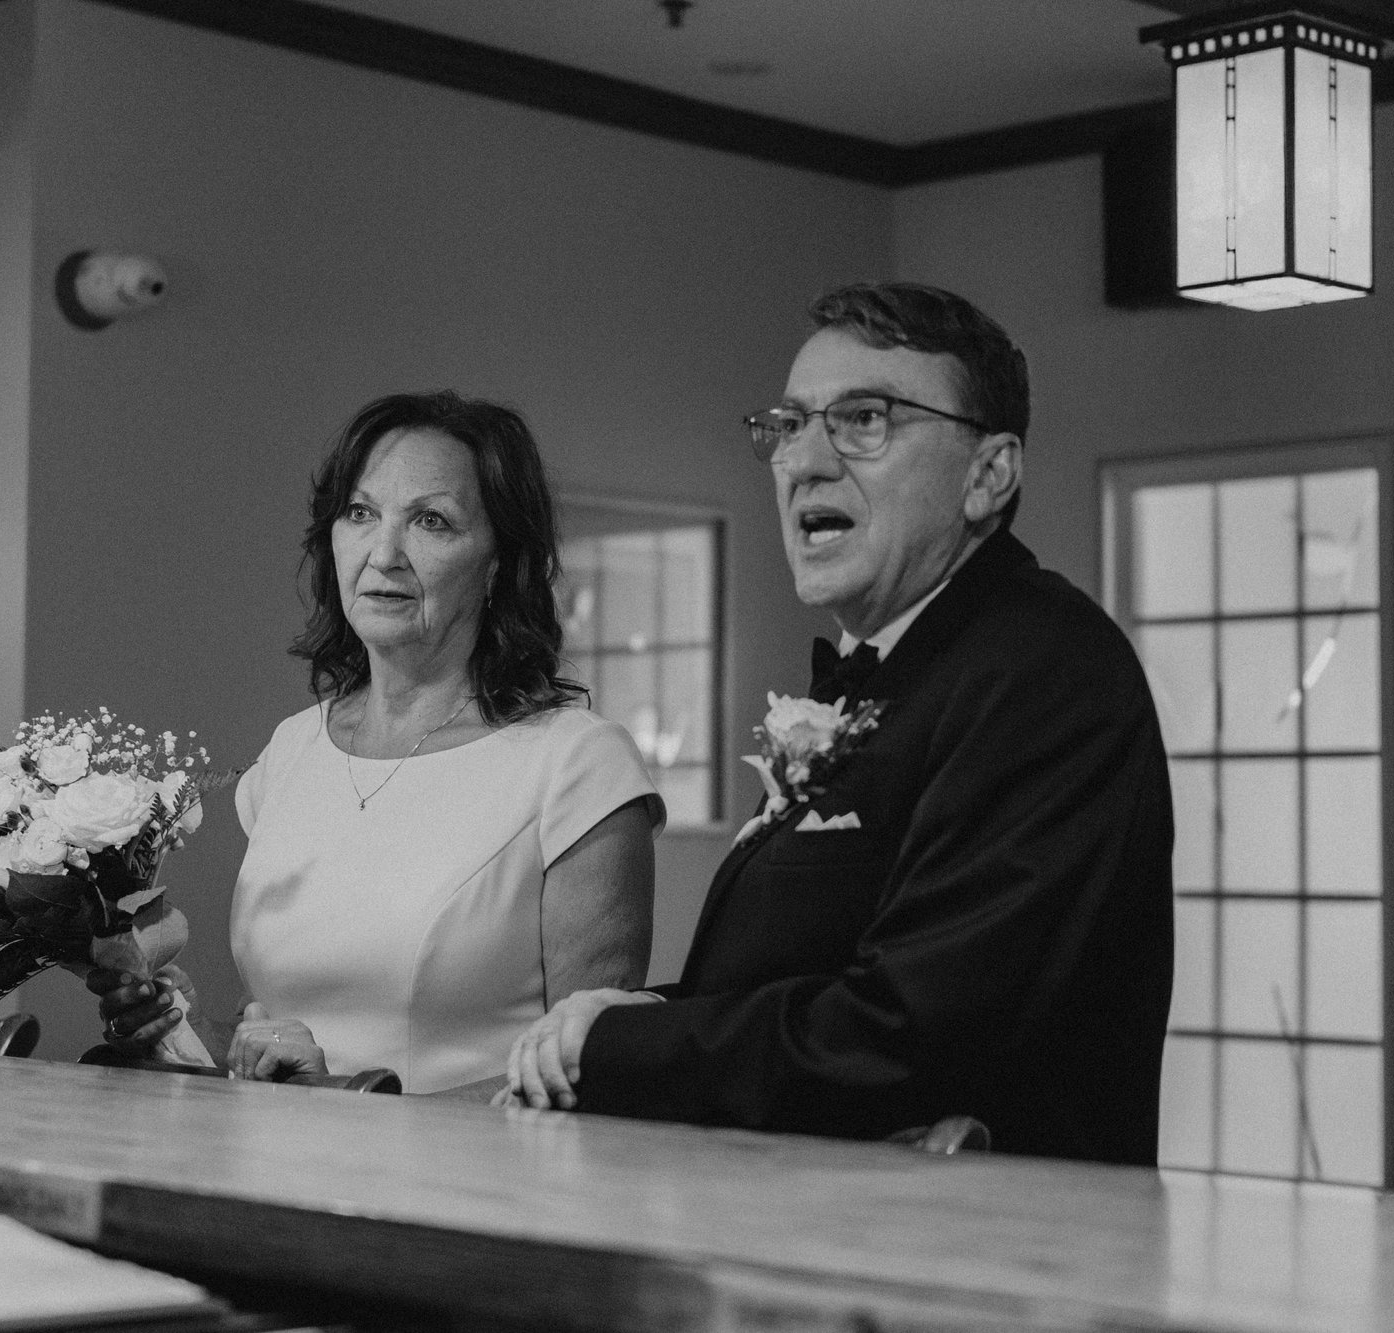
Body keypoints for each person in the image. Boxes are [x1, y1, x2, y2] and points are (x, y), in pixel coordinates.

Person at [501, 283, 1174, 1165]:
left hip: (990, 1263)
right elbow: (789, 980)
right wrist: (644, 1016)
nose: (804, 461)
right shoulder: (896, 671)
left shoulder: (1044, 673)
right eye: (788, 424)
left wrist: (620, 1045)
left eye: (864, 419)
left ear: (989, 474)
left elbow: (912, 1030)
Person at [92, 392, 663, 1096]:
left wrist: (357, 1099)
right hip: (271, 1172)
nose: (383, 553)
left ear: (498, 563)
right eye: (360, 513)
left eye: (432, 521)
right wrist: (179, 1029)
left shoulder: (578, 764)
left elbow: (590, 1077)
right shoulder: (293, 751)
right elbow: (280, 1039)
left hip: (467, 1190)